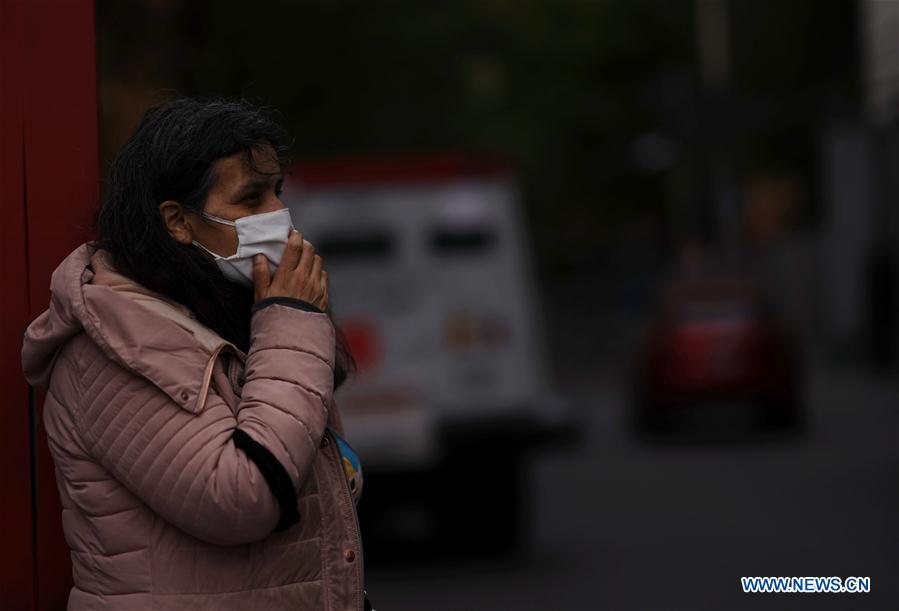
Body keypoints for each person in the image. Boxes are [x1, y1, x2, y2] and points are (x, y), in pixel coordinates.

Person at [21, 97, 374, 610]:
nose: (279, 216)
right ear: (177, 221)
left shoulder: (231, 316)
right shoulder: (113, 344)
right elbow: (244, 496)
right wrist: (293, 318)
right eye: (251, 198)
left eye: (277, 191)